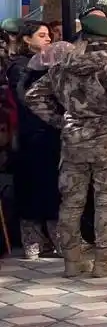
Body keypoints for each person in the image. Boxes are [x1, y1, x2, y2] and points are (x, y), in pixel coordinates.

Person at [25, 15, 107, 277]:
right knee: (106, 202)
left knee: (71, 202)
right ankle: (105, 260)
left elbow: (33, 95)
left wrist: (60, 120)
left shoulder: (63, 64)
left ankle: (72, 260)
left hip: (73, 142)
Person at [9, 24, 57, 259]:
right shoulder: (20, 67)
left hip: (50, 134)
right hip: (29, 134)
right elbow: (26, 98)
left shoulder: (52, 64)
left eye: (49, 35)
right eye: (42, 35)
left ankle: (54, 239)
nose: (48, 38)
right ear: (27, 39)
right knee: (30, 187)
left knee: (52, 186)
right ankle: (32, 242)